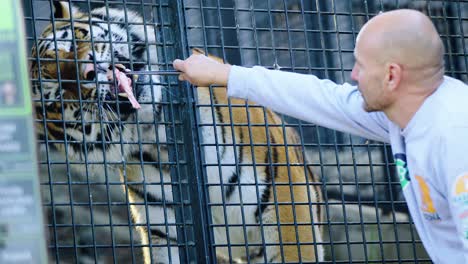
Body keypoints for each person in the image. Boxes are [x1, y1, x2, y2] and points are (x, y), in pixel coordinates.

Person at [173, 8, 468, 263]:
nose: (353, 75)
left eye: (361, 66)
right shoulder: (407, 111)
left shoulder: (455, 138)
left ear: (391, 76)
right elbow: (324, 98)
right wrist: (227, 76)